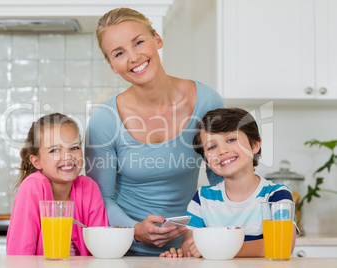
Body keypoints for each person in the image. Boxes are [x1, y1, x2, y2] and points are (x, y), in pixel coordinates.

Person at [85, 7, 225, 256]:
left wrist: (199, 232)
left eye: (138, 42)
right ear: (112, 66)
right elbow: (100, 197)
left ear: (157, 39)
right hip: (124, 252)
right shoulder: (105, 120)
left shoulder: (207, 102)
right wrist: (135, 229)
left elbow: (221, 180)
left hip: (190, 252)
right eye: (119, 53)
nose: (133, 57)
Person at [160, 108, 299, 258]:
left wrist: (220, 249)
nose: (222, 150)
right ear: (207, 162)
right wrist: (179, 254)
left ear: (255, 145)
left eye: (231, 139)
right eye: (212, 147)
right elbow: (190, 247)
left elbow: (282, 244)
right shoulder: (203, 198)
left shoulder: (276, 195)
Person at [6, 113, 108, 256]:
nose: (68, 156)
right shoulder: (32, 188)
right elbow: (19, 256)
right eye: (54, 150)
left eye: (74, 147)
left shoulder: (89, 188)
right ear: (36, 161)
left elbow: (101, 248)